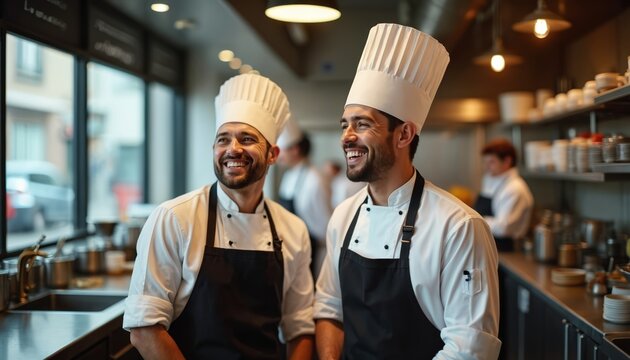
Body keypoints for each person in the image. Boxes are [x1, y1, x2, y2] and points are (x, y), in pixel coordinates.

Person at [314, 23, 502, 359]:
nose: (347, 136)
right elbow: (329, 309)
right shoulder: (343, 217)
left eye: (363, 123)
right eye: (345, 125)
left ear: (403, 135)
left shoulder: (459, 227)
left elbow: (471, 347)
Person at [123, 74, 315, 359]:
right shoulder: (174, 219)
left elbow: (300, 328)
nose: (233, 148)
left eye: (247, 139)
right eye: (223, 139)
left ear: (273, 154)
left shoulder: (293, 229)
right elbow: (144, 329)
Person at [277, 118, 332, 278]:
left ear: (295, 149)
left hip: (312, 252)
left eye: (282, 151)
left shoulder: (315, 179)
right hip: (292, 249)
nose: (278, 156)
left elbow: (325, 225)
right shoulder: (288, 175)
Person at [474, 138, 534, 252]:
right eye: (485, 162)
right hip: (490, 246)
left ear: (507, 161)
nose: (486, 167)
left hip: (508, 249)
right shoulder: (491, 179)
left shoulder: (515, 188)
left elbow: (503, 228)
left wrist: (474, 221)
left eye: (491, 162)